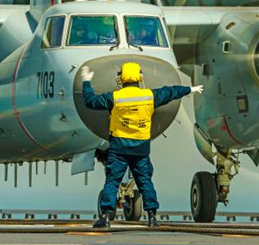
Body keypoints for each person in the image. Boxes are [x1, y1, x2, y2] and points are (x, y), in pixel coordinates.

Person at [80, 62, 203, 228]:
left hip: (119, 148)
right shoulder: (150, 96)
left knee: (112, 182)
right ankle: (152, 218)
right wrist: (190, 89)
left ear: (121, 79)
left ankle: (106, 218)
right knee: (145, 182)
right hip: (141, 148)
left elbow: (90, 101)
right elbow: (170, 92)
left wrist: (86, 82)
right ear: (139, 78)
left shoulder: (115, 98)